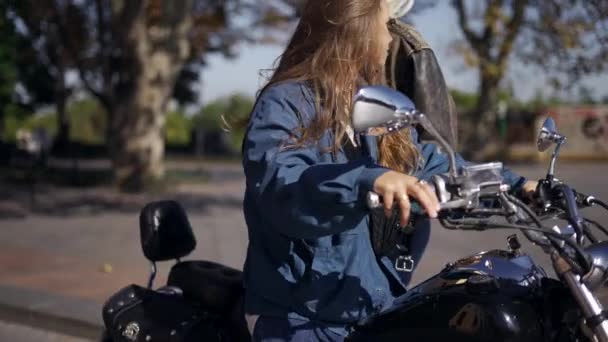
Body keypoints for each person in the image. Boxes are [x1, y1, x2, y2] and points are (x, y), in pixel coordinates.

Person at [241, 1, 536, 341]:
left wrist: (517, 186)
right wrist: (369, 180)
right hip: (303, 321)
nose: (390, 39)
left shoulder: (373, 105)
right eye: (385, 26)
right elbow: (282, 184)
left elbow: (432, 163)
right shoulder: (285, 102)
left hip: (372, 311)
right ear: (356, 30)